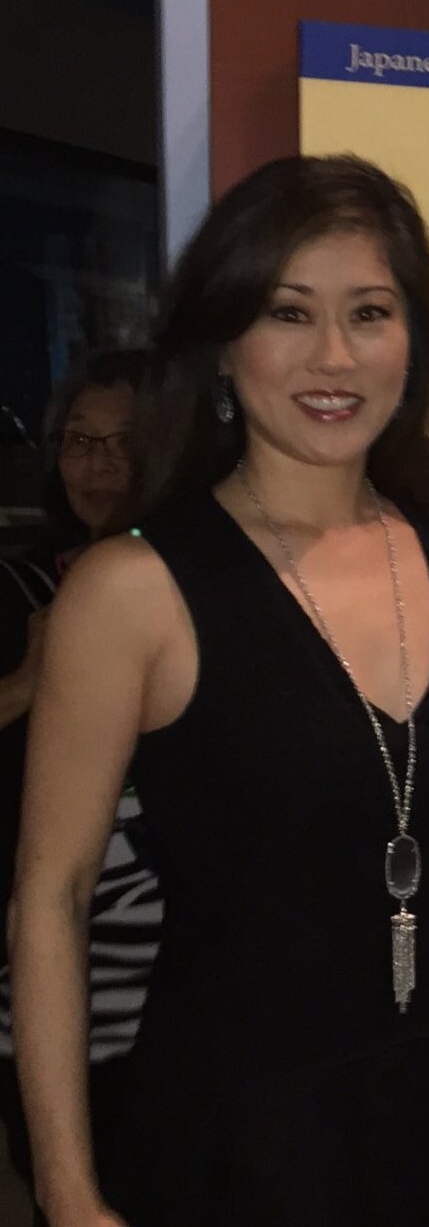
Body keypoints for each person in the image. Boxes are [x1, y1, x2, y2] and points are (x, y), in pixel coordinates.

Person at [10, 156, 429, 1226]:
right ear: (226, 340)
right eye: (288, 312)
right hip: (232, 1136)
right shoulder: (138, 589)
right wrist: (70, 1190)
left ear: (414, 339)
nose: (335, 356)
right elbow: (52, 897)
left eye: (370, 312)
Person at [0, 352, 159, 1216]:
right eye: (78, 441)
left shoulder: (208, 585)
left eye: (123, 443)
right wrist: (34, 677)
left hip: (187, 976)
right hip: (50, 954)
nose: (98, 466)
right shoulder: (22, 581)